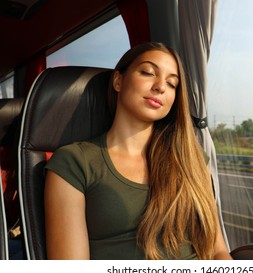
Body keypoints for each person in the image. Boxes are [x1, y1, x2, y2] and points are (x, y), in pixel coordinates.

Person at [44, 42, 232, 260]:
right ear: (118, 81)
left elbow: (217, 250)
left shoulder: (190, 157)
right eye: (148, 72)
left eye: (172, 84)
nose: (160, 87)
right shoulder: (75, 162)